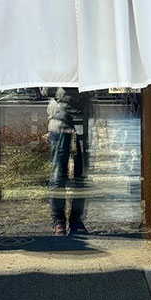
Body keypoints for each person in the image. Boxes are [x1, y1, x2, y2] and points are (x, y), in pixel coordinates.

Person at [43, 87, 89, 236]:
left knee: (80, 176)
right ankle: (59, 221)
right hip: (61, 121)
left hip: (80, 120)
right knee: (58, 174)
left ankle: (74, 220)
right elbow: (45, 89)